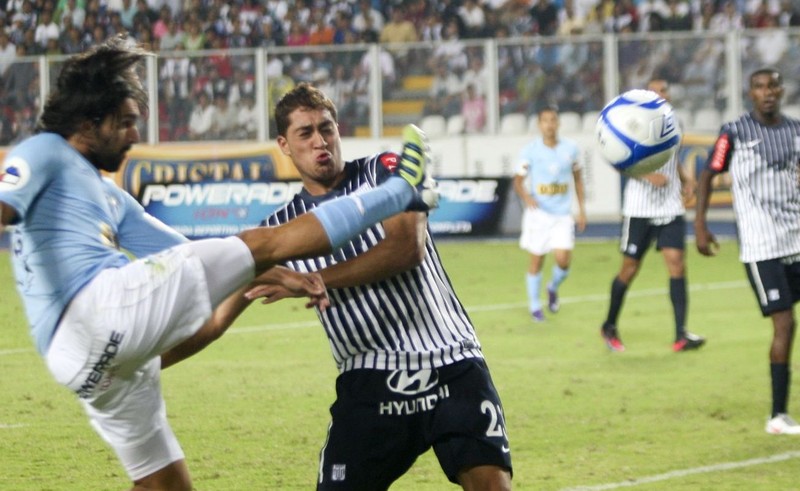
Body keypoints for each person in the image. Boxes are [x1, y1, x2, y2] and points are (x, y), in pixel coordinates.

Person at [0, 36, 437, 490]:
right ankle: (402, 191)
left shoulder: (109, 195)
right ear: (91, 122)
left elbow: (173, 251)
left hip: (84, 364)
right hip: (96, 310)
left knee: (164, 482)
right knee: (261, 242)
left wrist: (270, 273)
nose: (134, 135)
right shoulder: (44, 151)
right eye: (126, 122)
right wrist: (265, 260)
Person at [249, 83, 512, 490]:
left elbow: (406, 247)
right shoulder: (281, 230)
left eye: (327, 128)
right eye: (306, 133)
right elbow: (219, 296)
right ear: (284, 144)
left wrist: (314, 281)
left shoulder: (385, 170)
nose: (321, 141)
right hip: (368, 382)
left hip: (449, 362)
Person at [695, 67, 800, 435]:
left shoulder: (795, 130)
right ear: (750, 93)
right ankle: (777, 415)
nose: (768, 92)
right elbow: (709, 174)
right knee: (784, 323)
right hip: (762, 245)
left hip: (796, 239)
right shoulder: (735, 132)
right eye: (759, 87)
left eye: (773, 85)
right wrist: (701, 224)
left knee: (791, 325)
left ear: (781, 90)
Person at [600, 78, 706, 352]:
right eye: (656, 91)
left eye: (665, 90)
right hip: (639, 209)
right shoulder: (632, 121)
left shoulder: (674, 122)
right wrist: (647, 175)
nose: (662, 94)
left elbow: (675, 155)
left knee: (677, 264)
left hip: (670, 206)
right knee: (630, 269)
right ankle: (609, 325)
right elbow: (617, 160)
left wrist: (685, 178)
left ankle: (681, 334)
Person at [513, 105, 587, 323]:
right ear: (539, 124)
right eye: (545, 121)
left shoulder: (571, 149)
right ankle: (535, 305)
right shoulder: (530, 151)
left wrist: (582, 210)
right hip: (539, 215)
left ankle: (552, 287)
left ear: (558, 123)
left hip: (563, 215)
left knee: (563, 260)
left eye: (553, 120)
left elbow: (578, 178)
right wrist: (527, 198)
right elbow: (518, 181)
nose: (549, 125)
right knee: (536, 260)